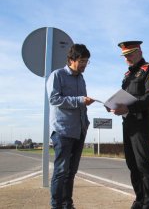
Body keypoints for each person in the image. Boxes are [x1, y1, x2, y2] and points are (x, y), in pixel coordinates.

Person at [109, 40, 149, 209]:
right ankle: (139, 198)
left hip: (142, 121)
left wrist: (128, 107)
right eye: (124, 56)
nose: (127, 59)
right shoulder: (127, 75)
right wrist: (114, 106)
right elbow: (124, 96)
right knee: (131, 163)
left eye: (129, 54)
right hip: (128, 121)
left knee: (142, 163)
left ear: (139, 51)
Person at [47, 44, 95, 209]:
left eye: (86, 62)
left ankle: (68, 204)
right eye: (81, 61)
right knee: (61, 171)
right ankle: (56, 205)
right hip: (63, 131)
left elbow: (81, 105)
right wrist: (80, 100)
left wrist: (86, 121)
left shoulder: (81, 79)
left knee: (71, 172)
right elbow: (54, 99)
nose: (84, 65)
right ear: (71, 60)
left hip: (79, 130)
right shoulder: (57, 75)